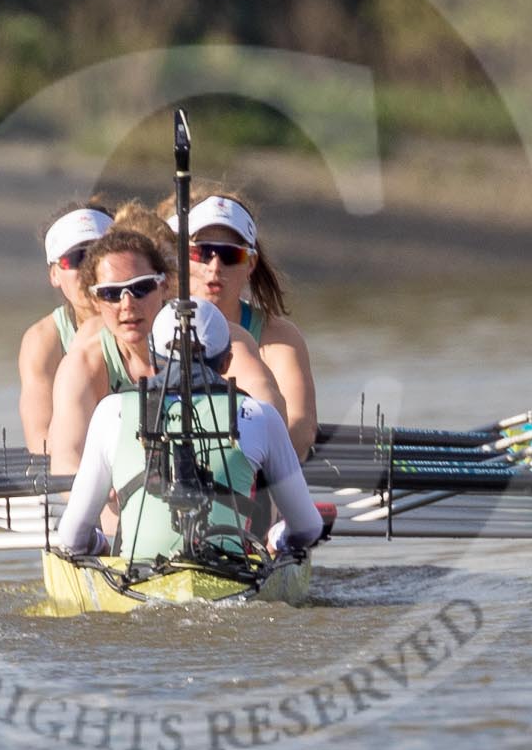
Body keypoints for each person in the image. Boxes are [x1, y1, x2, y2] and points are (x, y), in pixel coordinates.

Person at [54, 300, 324, 561]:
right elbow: (308, 528)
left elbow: (71, 538)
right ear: (227, 361)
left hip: (137, 581)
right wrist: (279, 539)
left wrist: (99, 545)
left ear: (153, 357)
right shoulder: (260, 415)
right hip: (232, 576)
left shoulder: (111, 411)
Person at [45, 204, 283, 479]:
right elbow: (65, 460)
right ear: (96, 298)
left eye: (141, 287)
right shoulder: (85, 356)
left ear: (165, 284)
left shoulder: (216, 335)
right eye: (111, 293)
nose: (127, 305)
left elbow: (268, 410)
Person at [164, 188, 318, 457]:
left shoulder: (279, 338)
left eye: (229, 255)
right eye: (202, 252)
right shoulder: (156, 325)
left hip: (253, 475)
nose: (214, 267)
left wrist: (238, 470)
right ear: (183, 257)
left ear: (250, 264)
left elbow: (300, 430)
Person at [16, 199, 113, 455]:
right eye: (76, 258)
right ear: (54, 274)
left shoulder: (150, 319)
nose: (89, 268)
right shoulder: (43, 340)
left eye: (98, 255)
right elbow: (41, 441)